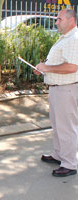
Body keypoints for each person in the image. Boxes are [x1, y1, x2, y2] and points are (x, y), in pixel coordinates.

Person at [35, 9, 78, 177]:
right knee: (58, 125)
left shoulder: (74, 39)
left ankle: (69, 163)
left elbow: (72, 67)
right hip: (58, 89)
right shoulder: (66, 38)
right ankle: (59, 154)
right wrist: (44, 69)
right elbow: (61, 63)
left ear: (71, 20)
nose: (56, 22)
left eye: (59, 19)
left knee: (66, 127)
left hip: (66, 90)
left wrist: (47, 68)